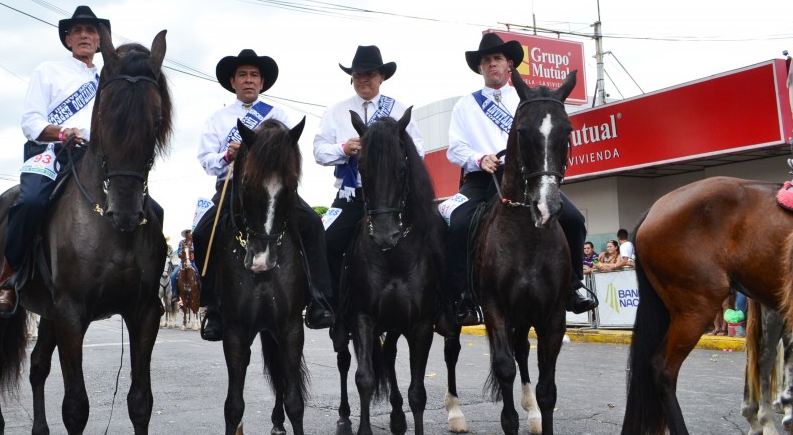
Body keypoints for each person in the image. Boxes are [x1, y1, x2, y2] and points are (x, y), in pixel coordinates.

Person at [0, 5, 165, 314]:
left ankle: (146, 287)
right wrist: (61, 132)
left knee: (153, 209)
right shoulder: (47, 71)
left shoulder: (111, 77)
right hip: (51, 152)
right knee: (31, 201)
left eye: (91, 31)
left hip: (97, 155)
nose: (85, 35)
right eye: (78, 31)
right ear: (68, 39)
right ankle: (10, 277)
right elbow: (30, 122)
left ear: (100, 41)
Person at [445, 34, 597, 325]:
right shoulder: (466, 105)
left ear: (509, 64)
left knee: (574, 219)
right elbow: (454, 148)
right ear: (480, 68)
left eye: (497, 59)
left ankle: (574, 285)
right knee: (460, 223)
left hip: (528, 176)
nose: (492, 64)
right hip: (483, 176)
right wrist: (479, 158)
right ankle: (464, 296)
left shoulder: (528, 97)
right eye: (486, 60)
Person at [192, 48, 333, 342]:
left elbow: (292, 153)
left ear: (262, 82)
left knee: (312, 224)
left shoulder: (278, 115)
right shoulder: (218, 119)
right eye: (242, 75)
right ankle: (214, 307)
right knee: (203, 231)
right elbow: (205, 158)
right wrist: (226, 156)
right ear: (232, 82)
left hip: (273, 189)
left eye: (254, 75)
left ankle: (319, 299)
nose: (248, 80)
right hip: (233, 187)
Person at [314, 45, 425, 331]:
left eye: (370, 74)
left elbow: (419, 152)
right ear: (351, 77)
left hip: (392, 198)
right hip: (351, 196)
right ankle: (331, 305)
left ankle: (439, 303)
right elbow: (319, 151)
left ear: (382, 77)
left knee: (433, 237)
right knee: (324, 239)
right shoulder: (336, 111)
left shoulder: (399, 110)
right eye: (358, 74)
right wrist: (344, 148)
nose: (364, 79)